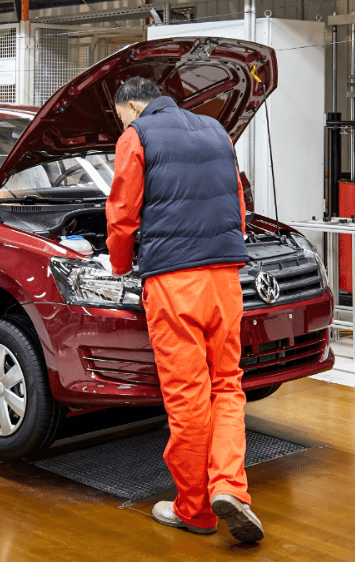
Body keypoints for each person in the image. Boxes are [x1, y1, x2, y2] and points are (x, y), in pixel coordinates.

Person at [105, 77, 263, 543]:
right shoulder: (216, 130)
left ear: (133, 106)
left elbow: (121, 212)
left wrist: (119, 265)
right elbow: (237, 205)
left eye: (121, 118)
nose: (123, 125)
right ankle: (231, 486)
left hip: (176, 283)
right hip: (226, 278)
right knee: (228, 386)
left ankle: (194, 509)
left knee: (188, 395)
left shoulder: (136, 136)